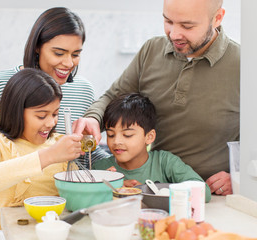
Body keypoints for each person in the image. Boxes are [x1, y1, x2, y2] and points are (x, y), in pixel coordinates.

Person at [0, 7, 109, 233]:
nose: (68, 63)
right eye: (59, 53)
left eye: (76, 54)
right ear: (38, 47)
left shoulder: (83, 91)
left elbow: (83, 154)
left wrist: (111, 165)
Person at [73, 0, 239, 197]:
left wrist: (238, 176)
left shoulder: (244, 64)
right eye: (168, 21)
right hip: (154, 192)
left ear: (217, 18)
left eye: (187, 26)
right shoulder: (151, 51)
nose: (174, 34)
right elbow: (113, 96)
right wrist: (93, 118)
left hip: (214, 196)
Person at [0, 68, 82, 230]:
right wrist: (48, 156)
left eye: (55, 114)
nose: (51, 123)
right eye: (41, 116)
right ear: (16, 111)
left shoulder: (58, 142)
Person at [92, 93, 211, 202]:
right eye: (110, 135)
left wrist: (150, 192)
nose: (116, 141)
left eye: (127, 135)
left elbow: (203, 192)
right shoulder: (101, 169)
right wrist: (108, 188)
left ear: (149, 137)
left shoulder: (165, 162)